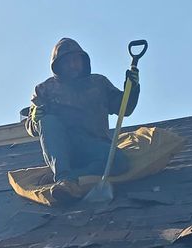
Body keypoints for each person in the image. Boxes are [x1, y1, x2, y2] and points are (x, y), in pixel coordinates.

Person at [26, 37, 139, 181]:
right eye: (67, 62)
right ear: (58, 65)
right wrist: (35, 119)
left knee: (119, 161)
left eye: (76, 60)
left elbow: (124, 108)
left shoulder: (99, 83)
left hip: (95, 147)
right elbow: (33, 126)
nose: (72, 65)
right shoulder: (44, 89)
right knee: (48, 121)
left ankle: (76, 175)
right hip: (64, 150)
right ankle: (63, 178)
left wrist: (133, 88)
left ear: (83, 61)